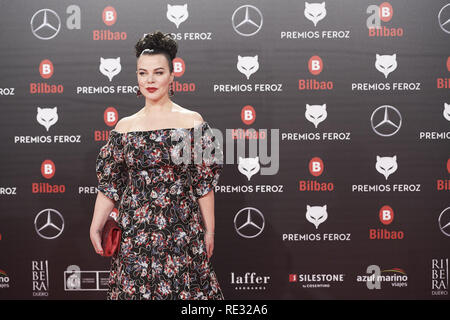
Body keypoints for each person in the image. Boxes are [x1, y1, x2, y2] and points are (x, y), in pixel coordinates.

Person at [89, 31, 224, 300]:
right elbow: (111, 184)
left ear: (173, 75)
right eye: (143, 73)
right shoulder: (124, 127)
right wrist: (95, 225)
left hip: (181, 231)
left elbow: (204, 184)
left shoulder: (192, 122)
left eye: (158, 72)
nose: (149, 80)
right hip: (134, 236)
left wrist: (209, 230)